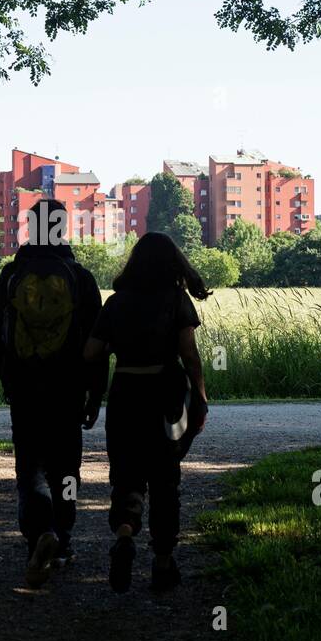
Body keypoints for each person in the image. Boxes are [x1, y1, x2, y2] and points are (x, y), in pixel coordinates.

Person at [0, 197, 106, 588]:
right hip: (68, 388)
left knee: (31, 466)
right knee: (65, 467)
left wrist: (8, 379)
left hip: (25, 387)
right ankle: (63, 538)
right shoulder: (81, 278)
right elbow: (97, 342)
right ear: (63, 229)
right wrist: (95, 393)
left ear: (29, 227)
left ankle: (39, 534)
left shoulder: (11, 276)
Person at [84, 232, 209, 593]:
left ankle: (125, 534)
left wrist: (113, 343)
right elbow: (189, 353)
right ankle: (163, 561)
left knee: (126, 473)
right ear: (173, 263)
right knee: (165, 478)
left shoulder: (117, 302)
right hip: (165, 395)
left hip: (125, 394)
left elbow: (90, 353)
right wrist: (199, 395)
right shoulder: (176, 300)